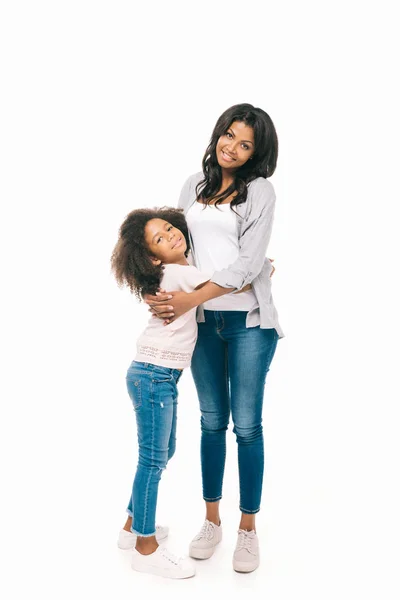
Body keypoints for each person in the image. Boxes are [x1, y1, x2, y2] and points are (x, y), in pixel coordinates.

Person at [144, 103, 284, 573]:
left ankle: (248, 530)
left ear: (256, 153)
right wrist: (158, 289)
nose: (233, 147)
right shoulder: (194, 186)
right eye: (230, 135)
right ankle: (211, 521)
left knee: (247, 426)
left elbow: (247, 264)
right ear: (218, 133)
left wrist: (196, 296)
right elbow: (174, 250)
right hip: (202, 325)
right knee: (210, 422)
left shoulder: (261, 191)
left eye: (246, 144)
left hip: (247, 323)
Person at [110, 206, 212, 579]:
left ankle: (131, 526)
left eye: (170, 228)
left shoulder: (178, 271)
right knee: (153, 459)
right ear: (154, 257)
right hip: (153, 375)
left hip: (153, 375)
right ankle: (145, 546)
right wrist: (259, 268)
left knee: (161, 452)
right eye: (159, 239)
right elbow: (228, 283)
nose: (171, 235)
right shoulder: (179, 272)